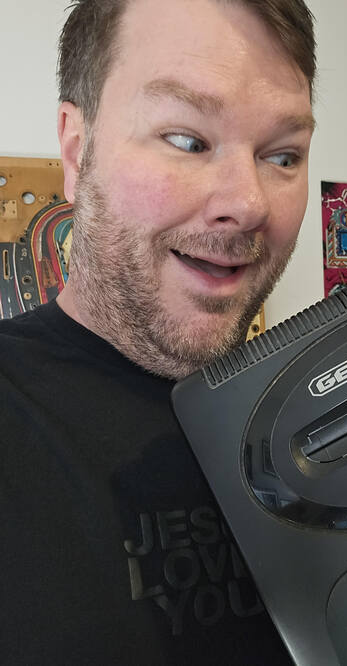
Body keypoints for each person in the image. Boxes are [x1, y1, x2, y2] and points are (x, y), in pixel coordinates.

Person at [0, 0, 316, 664]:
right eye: (188, 141)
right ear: (76, 149)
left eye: (283, 156)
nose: (249, 202)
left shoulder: (318, 408)